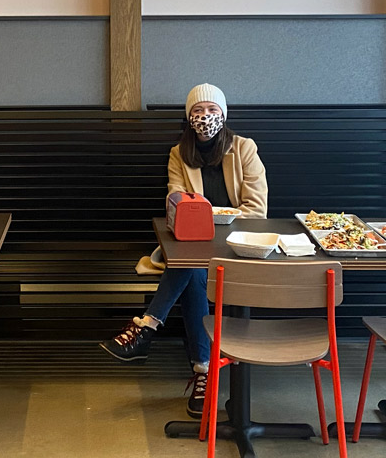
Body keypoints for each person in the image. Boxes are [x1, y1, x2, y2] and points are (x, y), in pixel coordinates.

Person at [99, 83, 267, 418]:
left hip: (235, 245)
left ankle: (148, 328)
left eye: (213, 110)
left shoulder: (244, 148)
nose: (206, 117)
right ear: (189, 117)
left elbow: (257, 210)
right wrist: (190, 216)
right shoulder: (180, 152)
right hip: (193, 243)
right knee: (190, 268)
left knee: (189, 266)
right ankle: (203, 372)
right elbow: (175, 202)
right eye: (198, 111)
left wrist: (213, 216)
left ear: (224, 114)